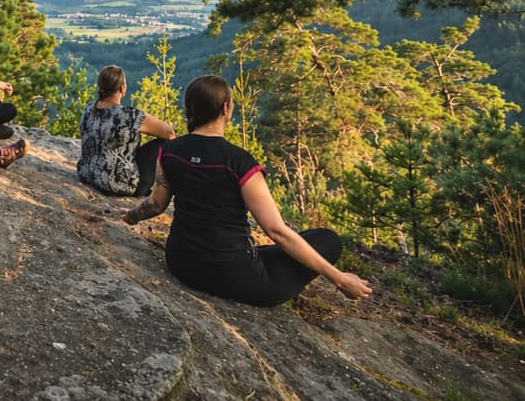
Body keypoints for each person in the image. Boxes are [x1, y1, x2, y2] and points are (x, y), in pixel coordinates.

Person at [122, 75, 372, 307]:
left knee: (285, 244)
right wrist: (339, 279)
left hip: (181, 262)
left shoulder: (170, 151)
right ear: (226, 109)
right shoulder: (239, 162)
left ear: (191, 108)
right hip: (233, 274)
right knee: (327, 239)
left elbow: (156, 204)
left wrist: (131, 216)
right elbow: (276, 231)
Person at [76, 65, 176, 197]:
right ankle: (154, 190)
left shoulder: (89, 108)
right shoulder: (130, 115)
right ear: (123, 88)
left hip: (87, 173)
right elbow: (169, 133)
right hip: (119, 184)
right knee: (165, 144)